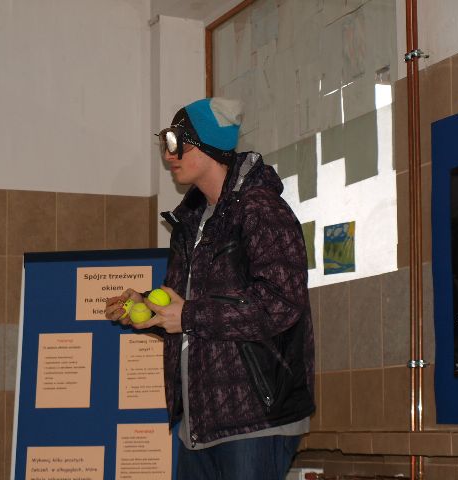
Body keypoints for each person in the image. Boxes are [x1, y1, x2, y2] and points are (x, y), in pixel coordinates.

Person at [106, 98, 315, 479]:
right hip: (200, 423)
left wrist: (187, 315)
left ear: (208, 145)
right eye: (165, 144)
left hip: (255, 418)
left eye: (177, 143)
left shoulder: (261, 210)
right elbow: (192, 309)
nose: (169, 156)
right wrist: (150, 309)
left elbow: (281, 302)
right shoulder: (191, 225)